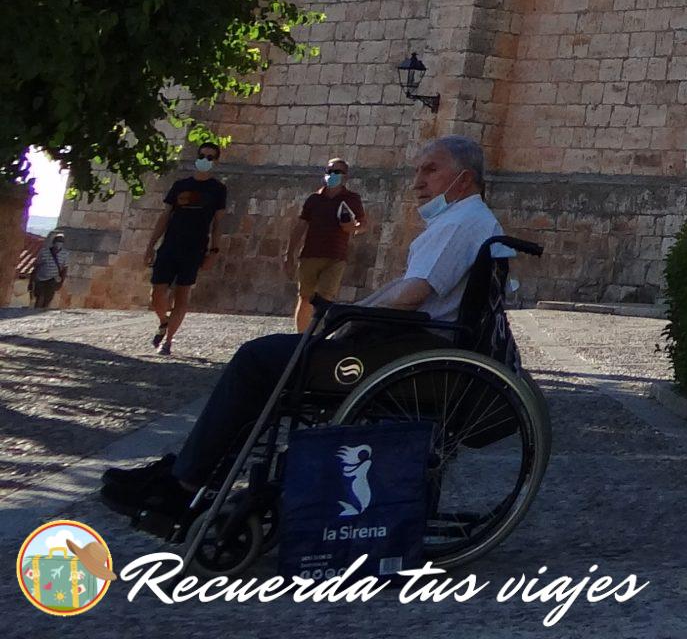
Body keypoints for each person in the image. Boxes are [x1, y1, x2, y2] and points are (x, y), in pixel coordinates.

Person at [100, 135, 503, 529]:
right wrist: (350, 311)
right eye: (418, 170)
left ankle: (183, 483)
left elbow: (412, 296)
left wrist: (347, 320)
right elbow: (403, 289)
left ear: (463, 179)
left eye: (430, 170)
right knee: (274, 358)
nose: (417, 181)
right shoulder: (463, 220)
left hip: (411, 353)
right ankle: (192, 475)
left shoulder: (461, 222)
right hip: (409, 346)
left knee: (258, 360)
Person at [143, 142, 229, 355]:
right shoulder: (180, 185)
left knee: (183, 294)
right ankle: (164, 321)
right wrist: (150, 245)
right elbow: (165, 216)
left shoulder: (218, 190)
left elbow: (218, 223)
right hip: (170, 244)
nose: (205, 160)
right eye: (202, 156)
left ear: (215, 161)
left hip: (195, 248)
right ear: (196, 157)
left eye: (210, 157)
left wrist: (214, 251)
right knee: (157, 293)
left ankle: (168, 341)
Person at [287, 155, 368, 331]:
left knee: (325, 299)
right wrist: (289, 254)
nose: (332, 175)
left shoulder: (352, 199)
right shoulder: (314, 199)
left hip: (336, 256)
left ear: (345, 176)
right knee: (305, 298)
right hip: (310, 254)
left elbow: (363, 225)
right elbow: (300, 226)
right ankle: (300, 337)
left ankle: (317, 336)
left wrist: (352, 228)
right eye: (329, 171)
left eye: (337, 172)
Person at [25, 230, 70, 309]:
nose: (59, 243)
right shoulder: (44, 252)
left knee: (48, 298)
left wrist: (61, 281)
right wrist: (31, 281)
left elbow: (65, 268)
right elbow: (37, 265)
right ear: (53, 242)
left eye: (61, 241)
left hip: (53, 279)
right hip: (40, 278)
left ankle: (43, 313)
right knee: (39, 296)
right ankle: (35, 312)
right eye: (58, 241)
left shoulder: (65, 254)